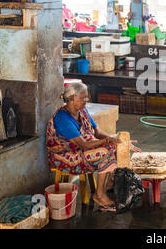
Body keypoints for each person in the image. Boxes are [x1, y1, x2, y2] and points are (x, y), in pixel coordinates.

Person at [46, 83, 141, 212]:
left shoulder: (82, 112)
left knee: (113, 147)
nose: (87, 100)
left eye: (87, 97)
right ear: (72, 98)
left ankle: (109, 184)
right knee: (105, 151)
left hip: (80, 150)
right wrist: (108, 140)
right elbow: (83, 144)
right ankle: (99, 194)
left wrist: (118, 141)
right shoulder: (61, 118)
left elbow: (97, 132)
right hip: (65, 156)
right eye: (83, 97)